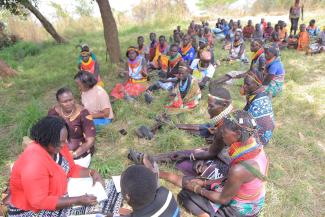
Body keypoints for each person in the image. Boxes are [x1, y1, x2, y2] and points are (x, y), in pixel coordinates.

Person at [140, 110, 268, 217]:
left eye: (224, 133)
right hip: (238, 188)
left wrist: (198, 189)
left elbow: (223, 199)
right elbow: (223, 166)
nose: (221, 135)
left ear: (238, 134)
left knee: (185, 195)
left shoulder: (240, 169)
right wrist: (205, 182)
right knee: (196, 180)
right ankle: (156, 172)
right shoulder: (254, 145)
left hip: (241, 210)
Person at [9, 116, 122, 217]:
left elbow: (72, 169)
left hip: (60, 194)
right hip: (33, 211)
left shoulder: (57, 147)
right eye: (60, 142)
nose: (64, 145)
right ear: (46, 139)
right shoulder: (34, 164)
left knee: (111, 190)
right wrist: (78, 200)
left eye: (64, 140)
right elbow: (39, 202)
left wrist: (92, 173)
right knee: (99, 211)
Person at [48, 87, 96, 168]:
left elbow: (90, 140)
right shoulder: (53, 113)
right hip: (58, 152)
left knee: (73, 174)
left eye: (71, 100)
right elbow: (49, 133)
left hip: (79, 154)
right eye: (65, 101)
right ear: (59, 102)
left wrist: (74, 154)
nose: (69, 103)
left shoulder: (83, 113)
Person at [241, 71, 275, 145]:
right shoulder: (260, 93)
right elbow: (244, 110)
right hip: (263, 134)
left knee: (231, 129)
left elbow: (246, 122)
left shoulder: (257, 103)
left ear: (257, 84)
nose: (244, 86)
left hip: (258, 140)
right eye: (244, 83)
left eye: (247, 84)